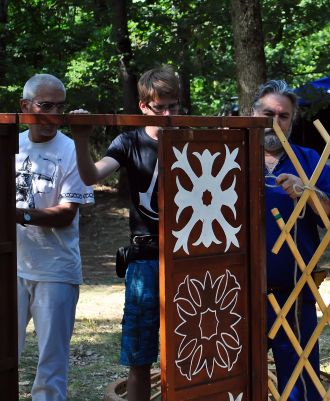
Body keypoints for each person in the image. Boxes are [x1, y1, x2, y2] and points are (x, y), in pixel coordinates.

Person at [71, 66, 180, 401]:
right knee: (139, 353)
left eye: (173, 107)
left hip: (189, 257)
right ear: (144, 107)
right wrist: (81, 138)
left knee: (191, 346)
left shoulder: (193, 138)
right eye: (159, 107)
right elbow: (91, 175)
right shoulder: (130, 140)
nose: (167, 114)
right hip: (145, 258)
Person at [251, 80, 330, 401]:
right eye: (267, 113)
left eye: (283, 116)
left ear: (292, 121)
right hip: (237, 292)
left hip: (293, 290)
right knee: (235, 377)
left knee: (301, 382)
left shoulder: (308, 159)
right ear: (252, 113)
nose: (274, 122)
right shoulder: (229, 158)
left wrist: (307, 190)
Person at [16, 73, 94, 401]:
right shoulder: (10, 145)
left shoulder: (72, 150)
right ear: (25, 106)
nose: (52, 116)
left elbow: (66, 214)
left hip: (56, 272)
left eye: (60, 109)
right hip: (13, 268)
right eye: (45, 106)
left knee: (51, 365)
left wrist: (17, 215)